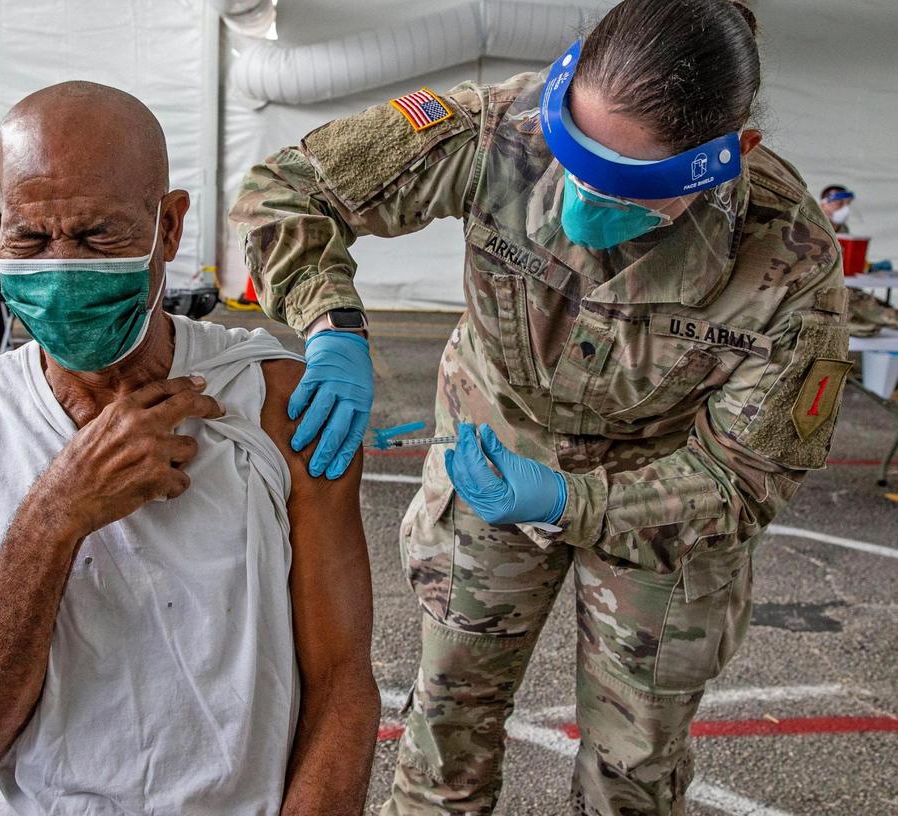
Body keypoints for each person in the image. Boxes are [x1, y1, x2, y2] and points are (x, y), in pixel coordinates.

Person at [232, 0, 851, 812]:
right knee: (448, 717)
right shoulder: (500, 128)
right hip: (491, 452)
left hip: (660, 500)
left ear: (730, 157)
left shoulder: (791, 261)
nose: (579, 204)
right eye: (573, 154)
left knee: (636, 760)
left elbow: (741, 478)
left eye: (626, 187)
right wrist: (332, 325)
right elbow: (291, 189)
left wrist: (571, 500)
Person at [0, 81, 379, 815]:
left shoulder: (272, 404)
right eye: (33, 240)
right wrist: (58, 511)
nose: (64, 267)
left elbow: (340, 687)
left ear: (168, 228)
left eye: (97, 235)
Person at [819, 185, 898, 335]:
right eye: (839, 203)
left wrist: (867, 267)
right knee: (864, 323)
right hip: (823, 290)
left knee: (878, 308)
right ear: (824, 203)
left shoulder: (842, 229)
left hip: (844, 287)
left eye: (847, 203)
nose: (845, 208)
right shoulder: (814, 225)